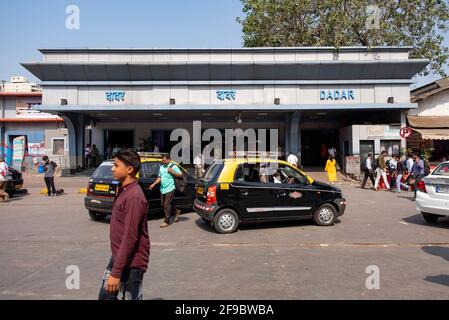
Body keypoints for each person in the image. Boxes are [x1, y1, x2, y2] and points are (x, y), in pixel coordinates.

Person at [98, 149, 149, 300]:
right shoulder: (125, 190)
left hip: (132, 263)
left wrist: (116, 272)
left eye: (116, 165)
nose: (112, 168)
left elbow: (130, 237)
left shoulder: (134, 197)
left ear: (129, 169)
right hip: (119, 257)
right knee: (105, 297)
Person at [149, 154, 182, 228]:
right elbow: (160, 177)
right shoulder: (161, 167)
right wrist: (153, 184)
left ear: (169, 159)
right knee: (164, 204)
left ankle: (166, 221)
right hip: (163, 188)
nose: (163, 162)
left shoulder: (173, 166)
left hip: (170, 188)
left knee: (167, 205)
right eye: (162, 160)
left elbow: (181, 175)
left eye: (164, 160)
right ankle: (176, 211)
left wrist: (173, 172)